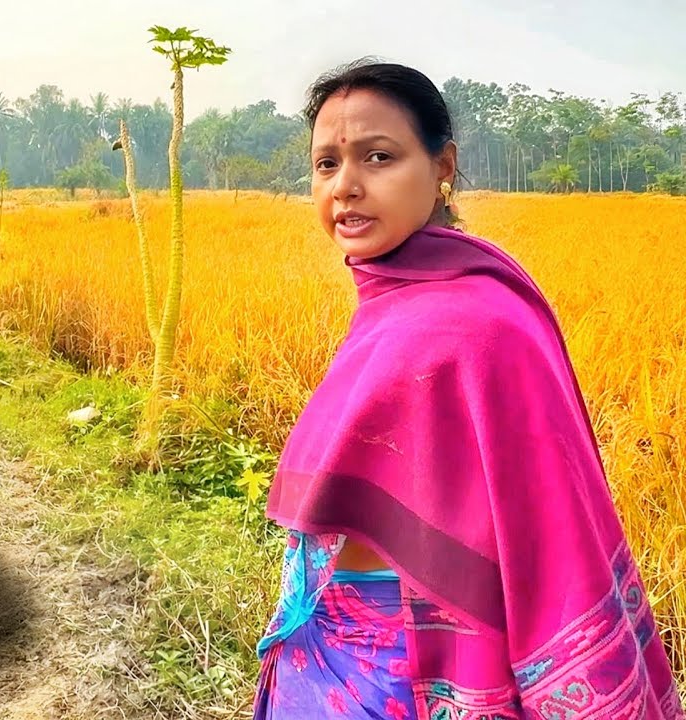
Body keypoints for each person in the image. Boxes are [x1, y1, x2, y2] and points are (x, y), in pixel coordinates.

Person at [253, 60, 683, 719]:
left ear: (442, 166)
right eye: (326, 164)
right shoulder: (397, 298)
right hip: (332, 651)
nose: (346, 186)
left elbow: (546, 525)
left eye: (378, 156)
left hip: (411, 673)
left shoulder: (476, 323)